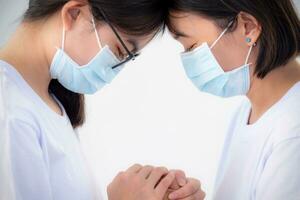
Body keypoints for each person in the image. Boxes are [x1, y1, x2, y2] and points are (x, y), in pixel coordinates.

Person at [0, 0, 206, 199]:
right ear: (75, 14)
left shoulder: (49, 102)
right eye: (119, 51)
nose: (116, 69)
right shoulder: (9, 110)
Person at [162, 0, 300, 199]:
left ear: (248, 27)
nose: (188, 60)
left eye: (192, 46)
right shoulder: (246, 112)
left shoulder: (292, 132)